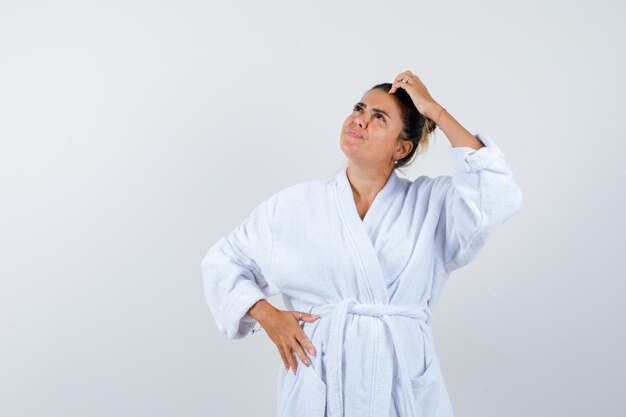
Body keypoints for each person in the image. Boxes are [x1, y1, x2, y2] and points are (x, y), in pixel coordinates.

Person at [201, 70, 523, 417]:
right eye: (359, 107)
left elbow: (495, 193)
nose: (360, 119)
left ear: (402, 147)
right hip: (320, 384)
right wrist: (266, 315)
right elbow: (223, 261)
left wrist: (434, 111)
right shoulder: (294, 206)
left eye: (378, 117)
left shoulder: (433, 204)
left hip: (401, 387)